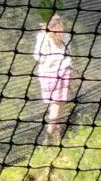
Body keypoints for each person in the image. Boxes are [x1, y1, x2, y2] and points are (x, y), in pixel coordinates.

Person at [32, 13, 75, 142]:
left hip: (48, 74)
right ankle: (52, 137)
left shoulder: (44, 37)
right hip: (62, 72)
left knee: (56, 106)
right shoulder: (65, 36)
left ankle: (53, 136)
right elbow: (68, 54)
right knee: (59, 105)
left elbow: (38, 57)